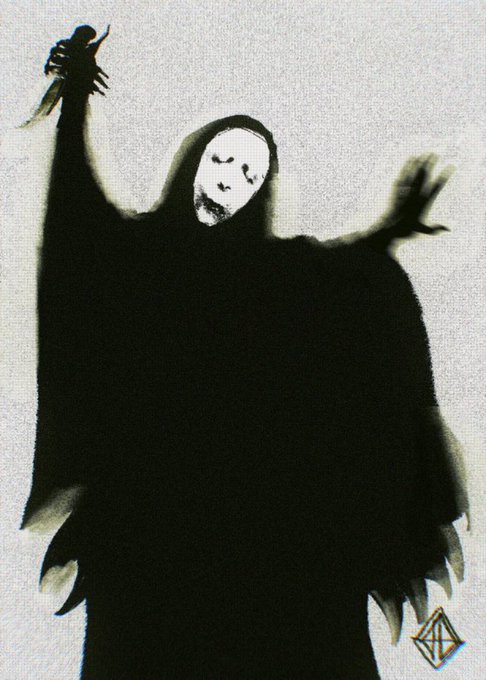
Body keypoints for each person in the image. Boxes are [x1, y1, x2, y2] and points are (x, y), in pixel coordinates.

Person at [22, 31, 468, 679]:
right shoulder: (136, 259)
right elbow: (76, 221)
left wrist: (389, 234)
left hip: (271, 543)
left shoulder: (277, 274)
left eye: (249, 174)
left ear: (261, 191)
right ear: (194, 161)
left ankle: (448, 651)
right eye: (222, 160)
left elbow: (344, 279)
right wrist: (75, 106)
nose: (229, 180)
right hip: (151, 545)